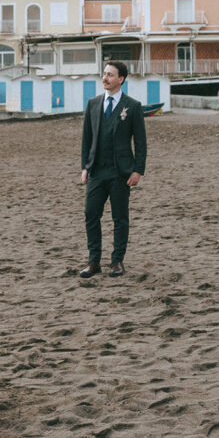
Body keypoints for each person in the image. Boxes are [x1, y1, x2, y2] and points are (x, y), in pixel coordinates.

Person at [80, 61, 147, 279]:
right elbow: (86, 139)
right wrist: (84, 167)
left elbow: (141, 141)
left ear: (121, 79)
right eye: (104, 74)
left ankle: (117, 261)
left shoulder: (133, 106)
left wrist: (138, 170)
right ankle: (94, 261)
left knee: (120, 218)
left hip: (121, 173)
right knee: (91, 215)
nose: (105, 78)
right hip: (96, 172)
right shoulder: (93, 104)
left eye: (110, 74)